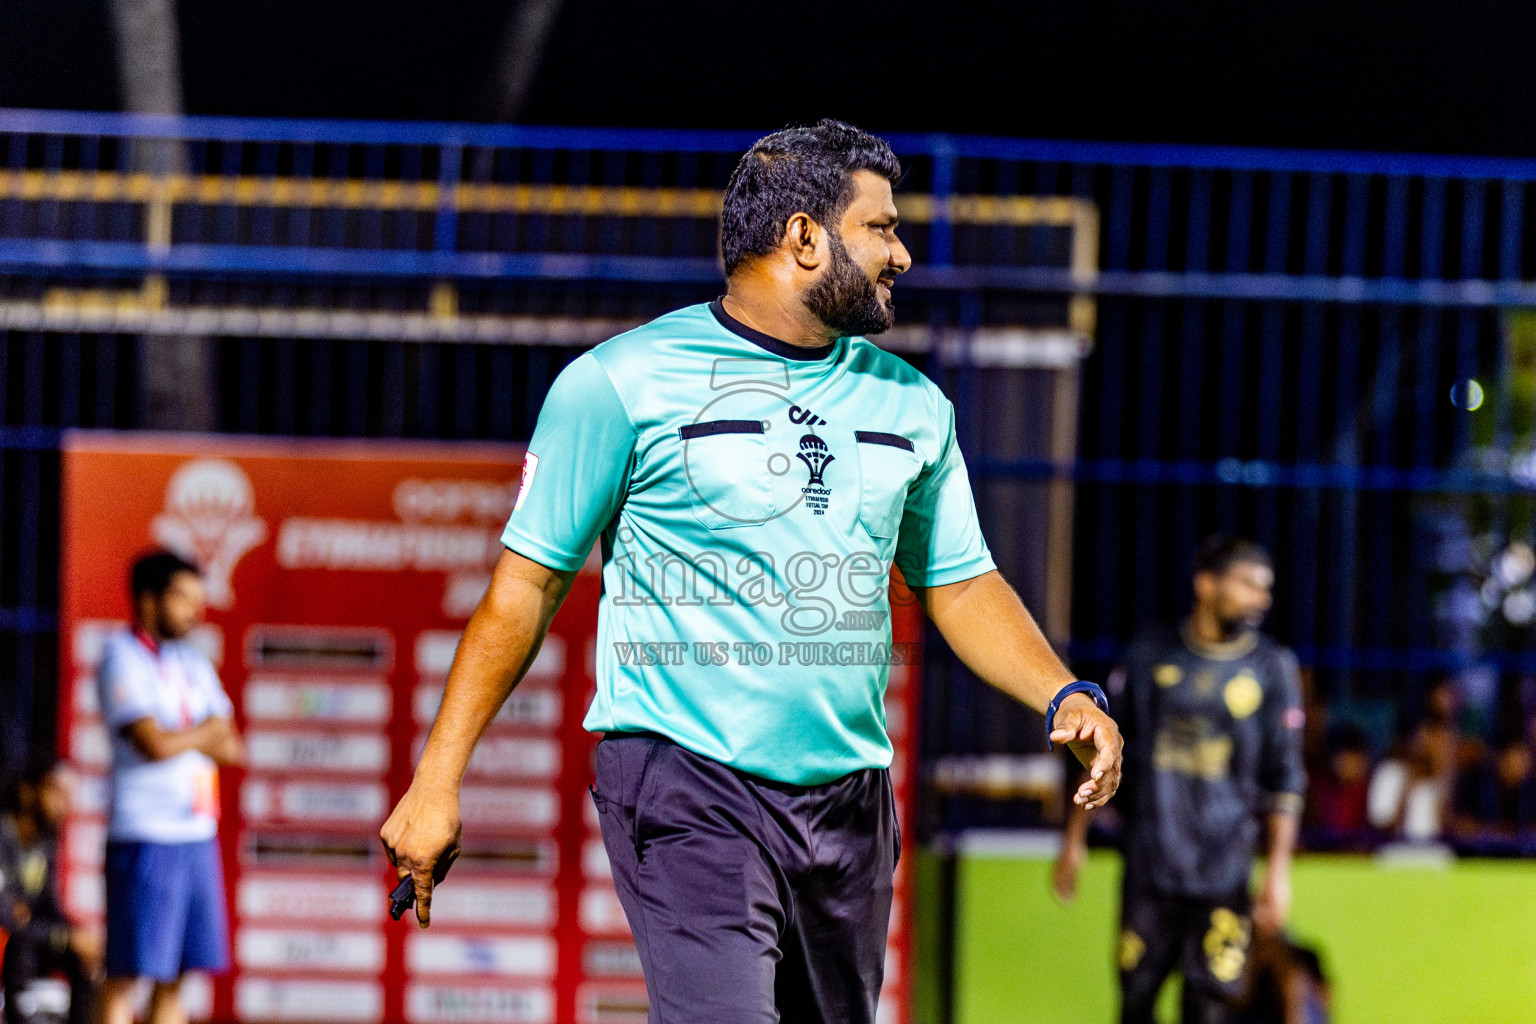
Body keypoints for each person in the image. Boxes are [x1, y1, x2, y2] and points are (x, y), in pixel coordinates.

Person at [381, 119, 1123, 1024]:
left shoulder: (913, 405)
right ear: (804, 237)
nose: (904, 254)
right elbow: (523, 588)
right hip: (686, 780)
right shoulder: (622, 382)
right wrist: (436, 780)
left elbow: (959, 582)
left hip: (850, 800)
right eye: (881, 228)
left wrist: (1062, 694)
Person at [1053, 536, 1305, 1024]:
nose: (1262, 598)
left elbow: (1286, 777)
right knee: (1136, 1002)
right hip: (1151, 867)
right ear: (1206, 584)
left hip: (1226, 874)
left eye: (1266, 587)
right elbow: (1101, 752)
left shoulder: (1273, 669)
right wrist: (1074, 839)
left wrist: (1277, 871)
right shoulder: (1150, 655)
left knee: (1209, 1008)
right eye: (1249, 584)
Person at [96, 551, 243, 1024]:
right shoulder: (121, 655)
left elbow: (233, 747)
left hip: (196, 834)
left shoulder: (192, 662)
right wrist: (203, 731)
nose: (194, 612)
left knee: (178, 976)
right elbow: (152, 743)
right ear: (147, 599)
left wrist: (188, 735)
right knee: (126, 974)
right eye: (182, 599)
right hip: (146, 835)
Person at [0, 756, 99, 1024]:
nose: (64, 804)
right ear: (27, 791)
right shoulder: (4, 837)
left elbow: (49, 908)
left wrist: (77, 937)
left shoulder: (45, 843)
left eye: (69, 796)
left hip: (27, 937)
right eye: (56, 791)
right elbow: (8, 918)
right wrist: (65, 937)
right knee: (14, 943)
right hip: (10, 945)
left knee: (84, 955)